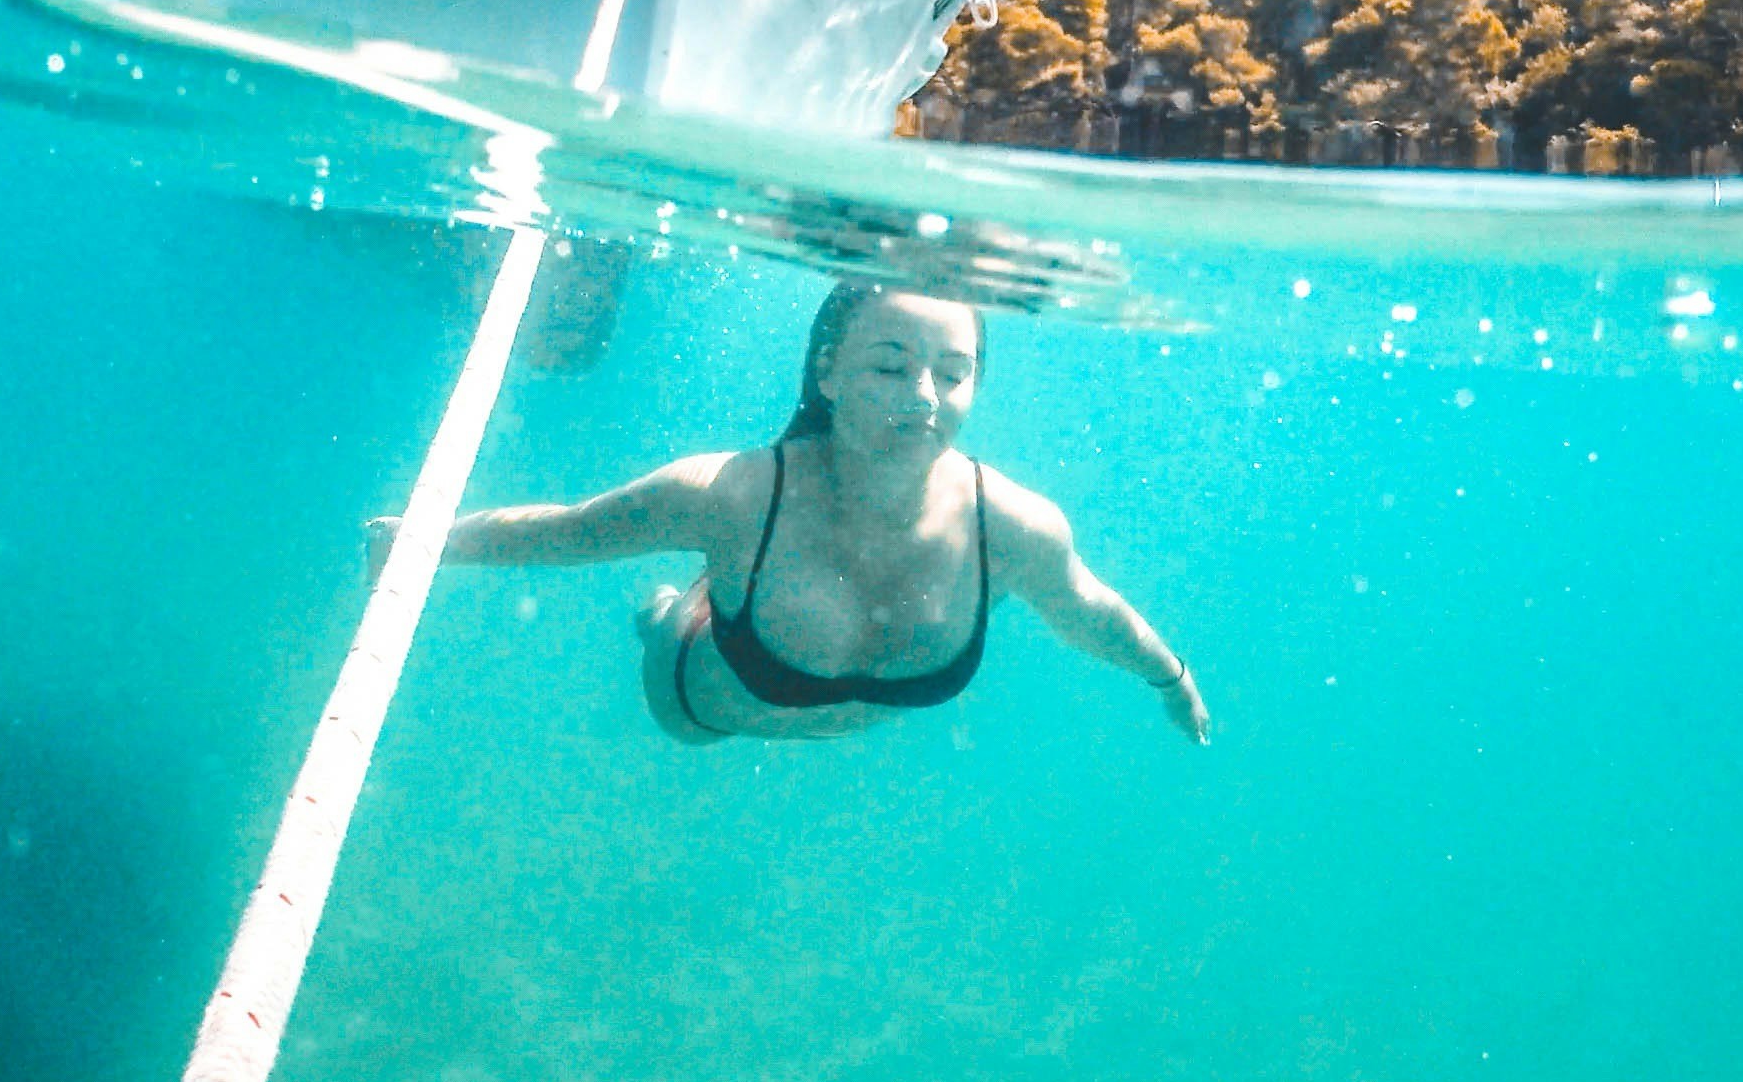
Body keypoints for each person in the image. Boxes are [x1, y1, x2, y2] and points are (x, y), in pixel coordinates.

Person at [372, 282, 1209, 745]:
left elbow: (1088, 609)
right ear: (829, 374)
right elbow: (570, 531)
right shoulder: (734, 494)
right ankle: (667, 609)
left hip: (823, 730)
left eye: (951, 374)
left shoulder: (1013, 527)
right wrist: (427, 546)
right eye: (890, 367)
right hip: (700, 712)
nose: (924, 397)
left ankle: (696, 594)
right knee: (673, 610)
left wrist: (1169, 678)